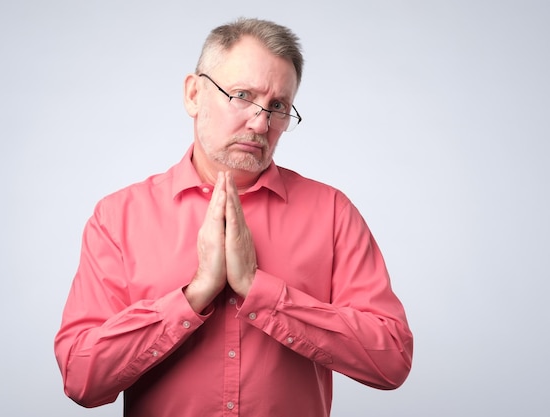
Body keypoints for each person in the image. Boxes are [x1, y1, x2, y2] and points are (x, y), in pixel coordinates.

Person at [54, 17, 413, 417]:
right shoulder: (118, 218)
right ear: (193, 94)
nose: (261, 123)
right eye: (242, 95)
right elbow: (81, 378)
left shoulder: (331, 213)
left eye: (278, 106)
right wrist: (195, 295)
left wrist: (261, 292)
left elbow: (392, 359)